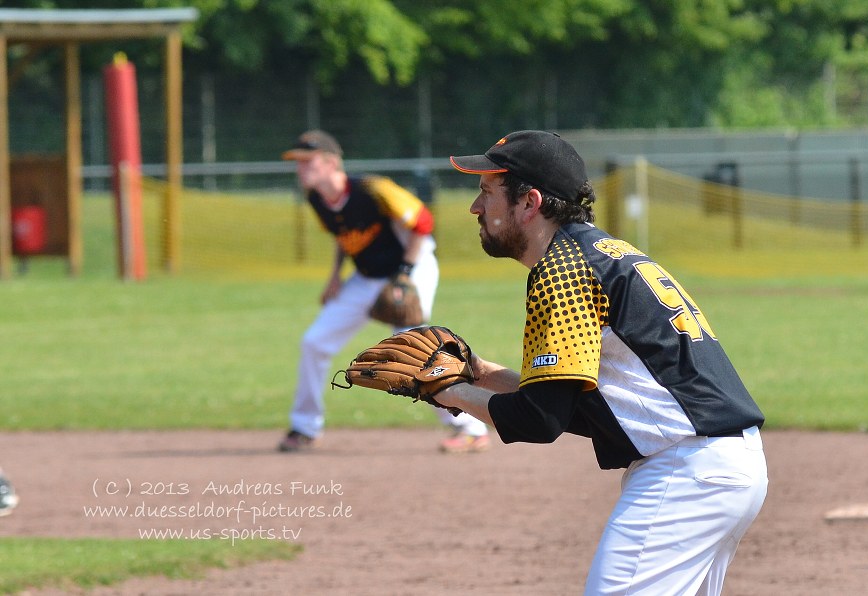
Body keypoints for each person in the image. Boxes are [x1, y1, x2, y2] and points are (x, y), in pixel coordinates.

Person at [438, 130, 768, 594]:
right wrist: (482, 375)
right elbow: (576, 403)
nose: (476, 207)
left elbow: (540, 419)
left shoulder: (563, 272)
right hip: (722, 466)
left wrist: (444, 391)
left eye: (487, 191)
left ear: (529, 202)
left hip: (686, 473)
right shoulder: (599, 253)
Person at [278, 130, 490, 453]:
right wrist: (335, 276)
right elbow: (343, 234)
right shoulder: (317, 199)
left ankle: (470, 427)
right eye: (298, 162)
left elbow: (422, 222)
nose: (301, 168)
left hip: (412, 265)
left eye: (308, 161)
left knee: (415, 350)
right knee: (314, 342)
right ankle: (305, 427)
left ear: (332, 163)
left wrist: (404, 275)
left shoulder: (373, 189)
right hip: (366, 277)